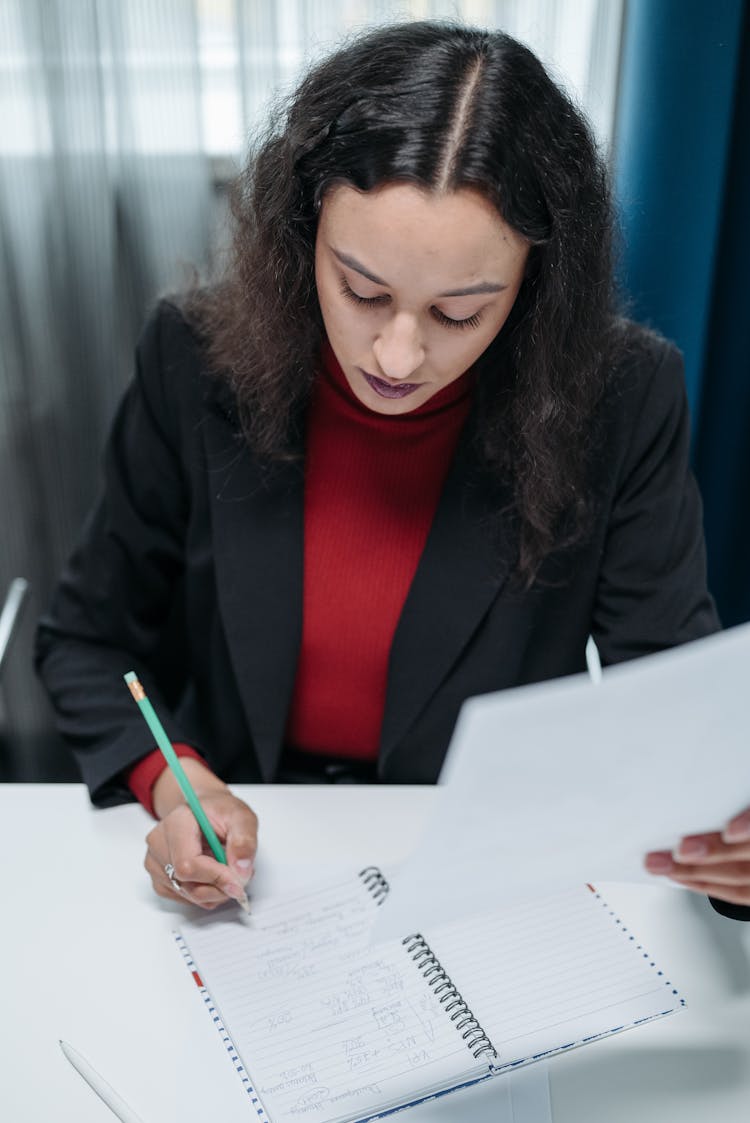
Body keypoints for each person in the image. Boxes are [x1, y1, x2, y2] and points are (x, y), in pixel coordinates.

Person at [35, 21, 750, 920]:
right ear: (305, 235)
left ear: (535, 286)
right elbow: (89, 641)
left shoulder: (623, 395)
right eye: (362, 291)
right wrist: (178, 786)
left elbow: (669, 699)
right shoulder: (192, 357)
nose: (399, 356)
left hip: (485, 868)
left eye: (459, 313)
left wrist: (729, 843)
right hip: (250, 847)